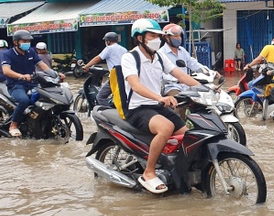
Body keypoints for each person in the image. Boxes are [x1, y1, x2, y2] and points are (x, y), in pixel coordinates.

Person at [122, 18, 200, 194]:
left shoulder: (159, 56)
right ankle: (149, 172)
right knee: (166, 127)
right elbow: (135, 85)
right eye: (152, 35)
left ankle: (174, 167)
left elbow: (180, 75)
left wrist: (205, 89)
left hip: (157, 106)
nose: (157, 39)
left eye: (158, 35)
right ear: (140, 38)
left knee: (188, 135)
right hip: (137, 108)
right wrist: (160, 97)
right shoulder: (130, 57)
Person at [1, 30, 64, 137]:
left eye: (28, 41)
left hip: (32, 83)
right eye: (24, 41)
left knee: (46, 97)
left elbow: (42, 65)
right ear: (16, 42)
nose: (27, 43)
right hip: (16, 85)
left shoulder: (31, 52)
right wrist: (21, 76)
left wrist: (55, 74)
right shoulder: (8, 54)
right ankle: (14, 125)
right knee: (24, 100)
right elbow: (6, 70)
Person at [158, 23, 207, 98]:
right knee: (179, 102)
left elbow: (193, 64)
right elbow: (164, 75)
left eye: (179, 36)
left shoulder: (182, 51)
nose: (178, 38)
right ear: (167, 38)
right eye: (175, 36)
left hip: (187, 86)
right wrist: (178, 79)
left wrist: (208, 72)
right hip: (171, 87)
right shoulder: (161, 54)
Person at [81, 32, 127, 106]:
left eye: (106, 41)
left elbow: (97, 58)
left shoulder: (109, 48)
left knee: (100, 97)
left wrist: (86, 66)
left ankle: (107, 113)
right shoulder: (123, 49)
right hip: (125, 76)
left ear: (108, 41)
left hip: (115, 77)